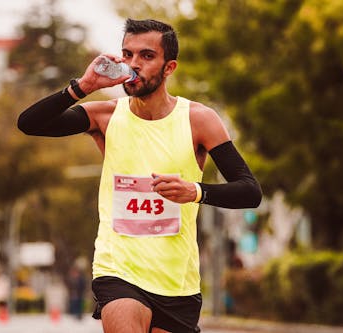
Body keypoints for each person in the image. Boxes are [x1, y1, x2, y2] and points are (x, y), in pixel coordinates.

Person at [18, 18, 262, 333]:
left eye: (146, 56)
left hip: (176, 281)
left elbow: (250, 191)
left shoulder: (199, 120)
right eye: (128, 54)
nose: (134, 64)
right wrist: (83, 87)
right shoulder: (105, 116)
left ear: (169, 67)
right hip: (118, 269)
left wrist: (196, 191)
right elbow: (29, 123)